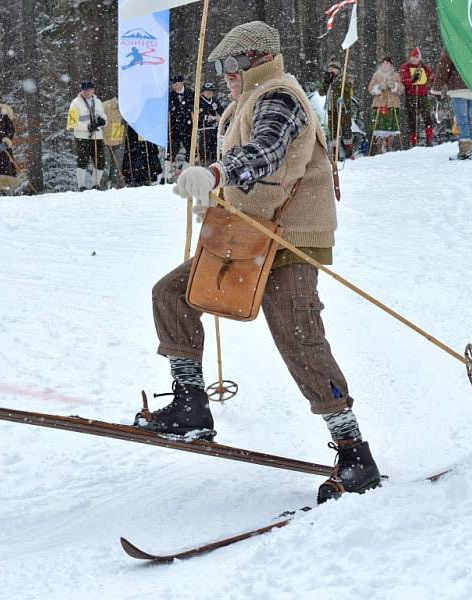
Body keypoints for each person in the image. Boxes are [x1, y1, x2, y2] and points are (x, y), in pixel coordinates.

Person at [139, 20, 381, 504]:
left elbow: (267, 151)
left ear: (256, 60)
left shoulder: (279, 96)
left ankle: (354, 451)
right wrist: (217, 195)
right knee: (173, 295)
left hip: (289, 240)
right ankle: (190, 404)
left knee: (299, 339)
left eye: (230, 64)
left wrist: (216, 171)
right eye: (221, 66)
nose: (225, 74)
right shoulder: (242, 103)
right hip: (248, 235)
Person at [431, 50, 472, 160]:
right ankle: (471, 150)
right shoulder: (470, 45)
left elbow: (443, 69)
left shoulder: (451, 45)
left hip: (458, 89)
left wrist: (436, 89)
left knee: (462, 121)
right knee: (468, 120)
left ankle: (465, 151)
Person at [68, 81, 107, 191]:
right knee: (83, 160)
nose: (86, 92)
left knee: (100, 160)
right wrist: (87, 126)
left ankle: (96, 184)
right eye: (84, 90)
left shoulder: (98, 102)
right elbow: (72, 123)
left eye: (88, 90)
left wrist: (104, 121)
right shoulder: (75, 103)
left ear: (93, 90)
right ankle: (82, 186)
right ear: (81, 90)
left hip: (97, 135)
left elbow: (103, 115)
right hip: (82, 136)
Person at [367, 57, 404, 154]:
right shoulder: (376, 75)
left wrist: (394, 86)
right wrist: (378, 87)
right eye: (383, 63)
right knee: (379, 129)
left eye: (387, 63)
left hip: (392, 104)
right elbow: (370, 89)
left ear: (391, 65)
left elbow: (401, 89)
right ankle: (379, 150)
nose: (385, 65)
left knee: (391, 129)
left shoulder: (396, 75)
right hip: (379, 104)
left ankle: (389, 148)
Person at [319, 59, 354, 158]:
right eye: (330, 68)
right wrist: (326, 82)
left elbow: (348, 90)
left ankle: (349, 153)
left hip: (343, 109)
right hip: (332, 109)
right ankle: (335, 154)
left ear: (338, 70)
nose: (331, 70)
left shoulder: (344, 78)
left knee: (346, 130)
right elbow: (321, 92)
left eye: (334, 69)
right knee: (333, 131)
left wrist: (335, 82)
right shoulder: (329, 79)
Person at [400, 48, 435, 147]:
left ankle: (429, 141)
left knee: (427, 117)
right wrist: (411, 80)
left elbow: (431, 77)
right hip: (411, 96)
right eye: (412, 57)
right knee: (412, 119)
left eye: (416, 57)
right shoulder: (405, 67)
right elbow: (403, 80)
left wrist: (434, 80)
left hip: (423, 95)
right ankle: (414, 142)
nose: (414, 59)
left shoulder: (424, 67)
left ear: (419, 58)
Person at [167, 75, 194, 178]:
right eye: (173, 84)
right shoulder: (170, 95)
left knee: (191, 149)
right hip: (175, 127)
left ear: (181, 83)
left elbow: (196, 106)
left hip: (188, 126)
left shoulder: (190, 93)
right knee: (172, 150)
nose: (174, 86)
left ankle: (187, 170)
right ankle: (168, 174)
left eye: (176, 83)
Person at [101, 97, 127, 188]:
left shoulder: (127, 109)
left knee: (117, 166)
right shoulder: (105, 105)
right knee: (105, 165)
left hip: (119, 141)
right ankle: (102, 186)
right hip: (105, 141)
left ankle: (114, 186)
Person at [196, 82, 223, 166]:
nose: (209, 93)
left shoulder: (214, 101)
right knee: (204, 149)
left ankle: (215, 164)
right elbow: (197, 115)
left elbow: (222, 111)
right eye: (207, 91)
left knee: (215, 149)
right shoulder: (199, 101)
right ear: (202, 92)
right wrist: (208, 117)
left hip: (214, 129)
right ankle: (204, 165)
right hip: (203, 129)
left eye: (211, 91)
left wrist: (222, 117)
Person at [0, 102, 18, 194]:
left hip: (3, 149)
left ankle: (7, 190)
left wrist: (6, 143)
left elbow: (11, 131)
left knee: (5, 167)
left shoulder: (6, 116)